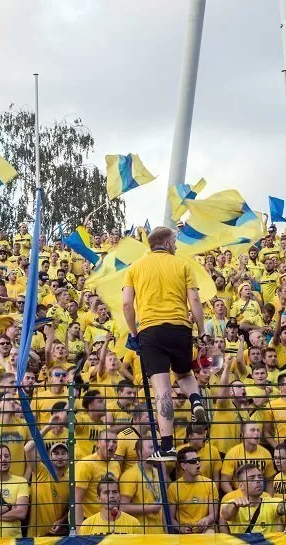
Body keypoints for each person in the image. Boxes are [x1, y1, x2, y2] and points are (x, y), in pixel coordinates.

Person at [122, 226, 207, 460]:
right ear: (167, 244)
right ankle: (196, 400)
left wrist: (133, 332)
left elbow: (127, 304)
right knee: (184, 374)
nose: (177, 246)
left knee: (162, 390)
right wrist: (201, 332)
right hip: (180, 327)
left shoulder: (135, 267)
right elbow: (195, 300)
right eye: (175, 241)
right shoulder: (183, 265)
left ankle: (167, 446)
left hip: (151, 330)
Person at [220, 463, 286, 534]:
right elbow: (226, 515)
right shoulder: (231, 502)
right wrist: (235, 506)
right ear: (241, 485)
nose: (258, 480)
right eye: (252, 478)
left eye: (260, 476)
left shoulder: (271, 502)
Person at [166, 446, 217, 534]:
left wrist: (207, 520)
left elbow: (214, 514)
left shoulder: (210, 484)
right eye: (193, 461)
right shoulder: (174, 487)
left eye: (198, 459)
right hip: (184, 532)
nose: (197, 463)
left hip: (205, 530)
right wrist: (181, 528)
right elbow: (170, 518)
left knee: (210, 533)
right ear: (183, 465)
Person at [74, 430, 120, 525]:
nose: (111, 444)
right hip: (87, 521)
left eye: (114, 442)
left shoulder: (116, 465)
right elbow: (77, 501)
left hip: (107, 521)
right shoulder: (85, 464)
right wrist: (78, 531)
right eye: (107, 440)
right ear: (98, 443)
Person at [119, 437, 164, 534]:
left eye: (156, 447)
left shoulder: (157, 472)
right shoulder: (130, 475)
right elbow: (123, 507)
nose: (155, 450)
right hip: (140, 534)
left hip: (159, 533)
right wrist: (150, 509)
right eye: (151, 447)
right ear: (139, 452)